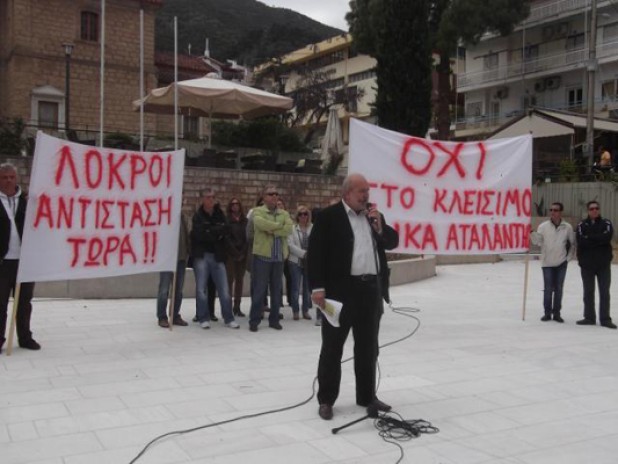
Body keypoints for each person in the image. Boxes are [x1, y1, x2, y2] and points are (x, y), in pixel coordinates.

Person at [307, 173, 399, 420]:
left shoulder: (373, 217)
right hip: (340, 293)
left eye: (367, 191)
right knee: (332, 347)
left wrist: (380, 227)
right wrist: (317, 288)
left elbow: (392, 242)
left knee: (368, 347)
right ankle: (327, 399)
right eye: (361, 191)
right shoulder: (328, 217)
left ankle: (367, 396)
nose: (366, 195)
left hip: (370, 291)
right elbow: (315, 255)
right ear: (347, 193)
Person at [0, 163, 40, 352]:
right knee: (1, 303)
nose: (8, 181)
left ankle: (25, 337)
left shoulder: (27, 201)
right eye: (4, 177)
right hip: (3, 262)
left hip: (25, 262)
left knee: (24, 303)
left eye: (11, 177)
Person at [190, 188, 239, 329]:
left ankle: (229, 318)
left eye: (213, 197)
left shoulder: (219, 214)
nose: (211, 199)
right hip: (202, 256)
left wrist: (210, 230)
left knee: (224, 289)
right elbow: (199, 235)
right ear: (202, 199)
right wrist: (216, 233)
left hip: (218, 256)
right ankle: (203, 317)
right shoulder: (198, 216)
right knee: (201, 289)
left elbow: (226, 229)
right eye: (208, 197)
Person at [248, 185, 293, 332]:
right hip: (262, 257)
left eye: (276, 194)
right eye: (270, 194)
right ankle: (254, 320)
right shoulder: (257, 211)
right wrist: (279, 227)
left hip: (278, 257)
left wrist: (272, 230)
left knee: (276, 291)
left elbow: (289, 229)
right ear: (264, 197)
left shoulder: (284, 213)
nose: (274, 196)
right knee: (259, 290)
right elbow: (260, 224)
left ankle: (274, 320)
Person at [532, 202, 575, 323]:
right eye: (551, 210)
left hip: (561, 263)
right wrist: (532, 234)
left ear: (560, 212)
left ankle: (557, 313)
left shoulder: (567, 227)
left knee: (559, 289)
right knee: (548, 289)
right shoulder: (543, 226)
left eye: (555, 210)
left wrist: (568, 258)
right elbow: (538, 242)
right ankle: (547, 313)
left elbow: (572, 244)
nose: (552, 212)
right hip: (547, 263)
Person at [575, 201, 616, 329]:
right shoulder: (581, 224)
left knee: (604, 292)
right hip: (587, 264)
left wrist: (590, 237)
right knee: (588, 291)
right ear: (588, 210)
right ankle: (589, 317)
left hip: (603, 264)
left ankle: (605, 319)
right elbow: (581, 240)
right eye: (592, 208)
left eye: (596, 208)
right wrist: (598, 239)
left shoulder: (606, 223)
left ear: (599, 210)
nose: (594, 210)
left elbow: (607, 237)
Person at [156, 212, 190, 328]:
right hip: (166, 259)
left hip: (181, 258)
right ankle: (162, 316)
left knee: (178, 290)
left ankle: (175, 315)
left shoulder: (182, 216)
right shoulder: (164, 215)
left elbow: (186, 235)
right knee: (164, 289)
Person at [287, 205, 314, 321]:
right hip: (295, 261)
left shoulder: (313, 228)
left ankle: (305, 310)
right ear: (297, 216)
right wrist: (304, 253)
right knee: (295, 288)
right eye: (300, 214)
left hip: (309, 262)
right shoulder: (292, 228)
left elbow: (316, 243)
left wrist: (310, 254)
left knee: (307, 288)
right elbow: (290, 245)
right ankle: (295, 311)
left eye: (305, 214)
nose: (303, 216)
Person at [225, 197, 248, 317]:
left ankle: (237, 306)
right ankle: (228, 307)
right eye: (233, 204)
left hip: (242, 254)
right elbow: (226, 238)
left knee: (240, 280)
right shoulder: (227, 220)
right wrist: (234, 252)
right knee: (229, 281)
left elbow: (247, 237)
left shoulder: (245, 221)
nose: (235, 206)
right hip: (230, 254)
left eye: (237, 204)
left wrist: (242, 252)